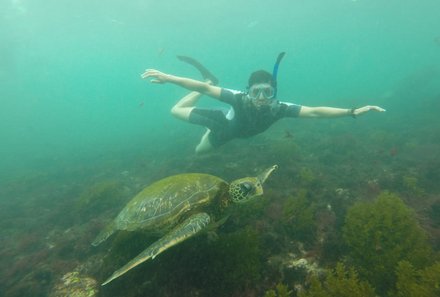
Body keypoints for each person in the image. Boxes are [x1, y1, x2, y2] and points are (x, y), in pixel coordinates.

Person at [141, 55, 386, 154]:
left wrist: (352, 112)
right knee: (179, 117)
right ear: (248, 91)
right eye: (256, 92)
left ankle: (211, 126)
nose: (261, 98)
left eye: (266, 92)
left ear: (273, 93)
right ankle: (210, 78)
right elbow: (203, 90)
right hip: (222, 124)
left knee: (198, 151)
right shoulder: (237, 97)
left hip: (236, 132)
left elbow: (313, 112)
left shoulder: (278, 108)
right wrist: (169, 77)